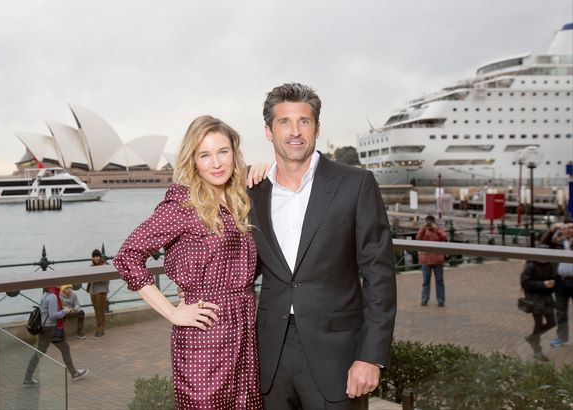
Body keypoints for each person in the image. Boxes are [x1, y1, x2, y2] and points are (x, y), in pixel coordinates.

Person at [249, 83, 396, 409]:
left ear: (316, 127)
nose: (295, 131)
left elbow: (380, 276)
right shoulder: (253, 192)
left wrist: (371, 356)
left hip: (338, 356)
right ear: (268, 131)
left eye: (304, 121)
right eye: (284, 122)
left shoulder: (355, 184)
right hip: (270, 355)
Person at [113, 115, 263, 409]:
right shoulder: (182, 204)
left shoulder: (241, 199)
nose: (216, 163)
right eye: (204, 155)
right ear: (192, 161)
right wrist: (172, 312)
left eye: (222, 151)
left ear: (234, 152)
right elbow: (127, 257)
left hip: (244, 332)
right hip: (203, 337)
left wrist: (264, 170)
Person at [24, 287, 89, 385]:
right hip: (51, 329)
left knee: (39, 352)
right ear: (53, 285)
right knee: (65, 348)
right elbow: (53, 315)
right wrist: (65, 311)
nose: (60, 285)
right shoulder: (53, 297)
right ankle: (74, 373)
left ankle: (27, 377)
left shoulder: (46, 295)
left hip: (44, 328)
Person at [520, 246, 557, 361]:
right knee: (538, 324)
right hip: (534, 299)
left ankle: (532, 338)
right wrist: (543, 284)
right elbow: (525, 283)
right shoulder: (530, 266)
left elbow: (553, 278)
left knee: (552, 322)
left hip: (546, 298)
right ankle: (537, 350)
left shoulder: (549, 265)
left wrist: (552, 284)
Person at [416, 215, 448, 307]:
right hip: (426, 259)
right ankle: (424, 299)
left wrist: (436, 229)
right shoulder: (424, 230)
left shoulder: (438, 229)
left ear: (434, 222)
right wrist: (423, 228)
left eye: (430, 222)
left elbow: (444, 237)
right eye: (427, 222)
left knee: (439, 281)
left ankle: (441, 300)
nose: (429, 224)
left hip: (438, 259)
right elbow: (418, 238)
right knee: (425, 281)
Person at [550, 222, 573, 348]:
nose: (568, 230)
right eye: (566, 227)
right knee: (560, 312)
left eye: (571, 227)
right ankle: (562, 338)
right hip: (561, 282)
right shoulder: (557, 242)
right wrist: (551, 229)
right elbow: (543, 243)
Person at [87, 249, 109, 337]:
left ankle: (102, 328)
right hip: (93, 291)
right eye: (94, 256)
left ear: (100, 257)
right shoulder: (92, 266)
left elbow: (106, 279)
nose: (96, 258)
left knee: (101, 311)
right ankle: (98, 327)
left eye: (97, 256)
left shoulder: (105, 265)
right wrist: (88, 288)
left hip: (101, 290)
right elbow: (89, 279)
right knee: (96, 311)